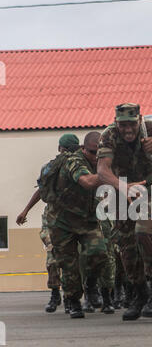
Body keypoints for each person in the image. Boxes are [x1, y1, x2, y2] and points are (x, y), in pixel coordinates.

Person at [97, 103, 152, 321]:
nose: (127, 130)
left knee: (144, 231)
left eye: (131, 124)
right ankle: (140, 295)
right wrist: (122, 187)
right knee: (126, 245)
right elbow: (102, 170)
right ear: (116, 123)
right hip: (124, 189)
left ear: (139, 121)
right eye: (122, 125)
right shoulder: (109, 136)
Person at [46, 132, 109, 319]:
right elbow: (87, 182)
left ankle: (90, 285)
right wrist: (107, 174)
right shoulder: (74, 162)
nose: (95, 156)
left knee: (99, 253)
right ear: (83, 148)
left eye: (99, 153)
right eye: (91, 152)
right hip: (62, 221)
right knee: (69, 265)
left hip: (86, 219)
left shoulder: (103, 161)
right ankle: (73, 302)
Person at [16, 134, 80, 313]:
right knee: (54, 255)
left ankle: (71, 297)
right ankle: (55, 294)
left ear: (61, 148)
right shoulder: (51, 168)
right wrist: (25, 210)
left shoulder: (79, 166)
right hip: (53, 218)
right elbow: (41, 191)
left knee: (72, 259)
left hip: (75, 218)